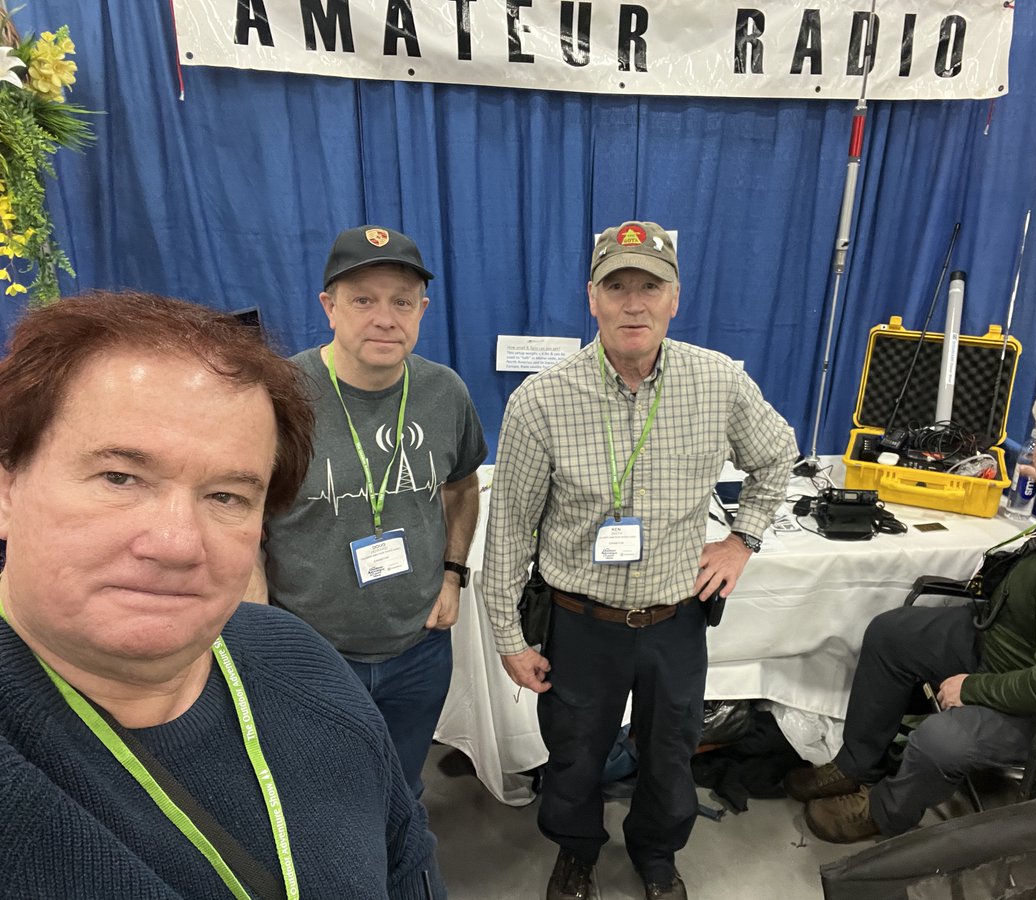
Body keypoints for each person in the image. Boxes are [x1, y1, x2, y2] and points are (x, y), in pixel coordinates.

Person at [0, 291, 446, 898]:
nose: (178, 543)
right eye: (120, 477)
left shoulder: (298, 660)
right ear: (7, 485)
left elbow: (407, 858)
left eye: (226, 496)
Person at [480, 221, 797, 900]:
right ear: (590, 298)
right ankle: (576, 854)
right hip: (579, 622)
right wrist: (508, 636)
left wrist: (743, 539)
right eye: (615, 286)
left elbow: (777, 456)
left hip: (674, 621)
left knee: (670, 755)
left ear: (674, 298)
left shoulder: (718, 382)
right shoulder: (540, 401)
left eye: (647, 287)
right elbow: (508, 528)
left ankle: (657, 855)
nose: (633, 304)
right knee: (573, 756)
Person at [785, 380, 1036, 843]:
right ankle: (856, 762)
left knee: (940, 741)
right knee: (892, 633)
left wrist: (975, 688)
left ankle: (884, 811)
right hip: (1024, 642)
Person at [253, 225, 487, 796]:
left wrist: (454, 573)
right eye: (363, 299)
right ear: (328, 307)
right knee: (317, 795)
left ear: (422, 310)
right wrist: (258, 618)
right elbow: (243, 512)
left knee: (402, 789)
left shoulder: (444, 392)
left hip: (419, 647)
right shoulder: (279, 394)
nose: (386, 318)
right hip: (312, 648)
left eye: (401, 302)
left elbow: (460, 487)